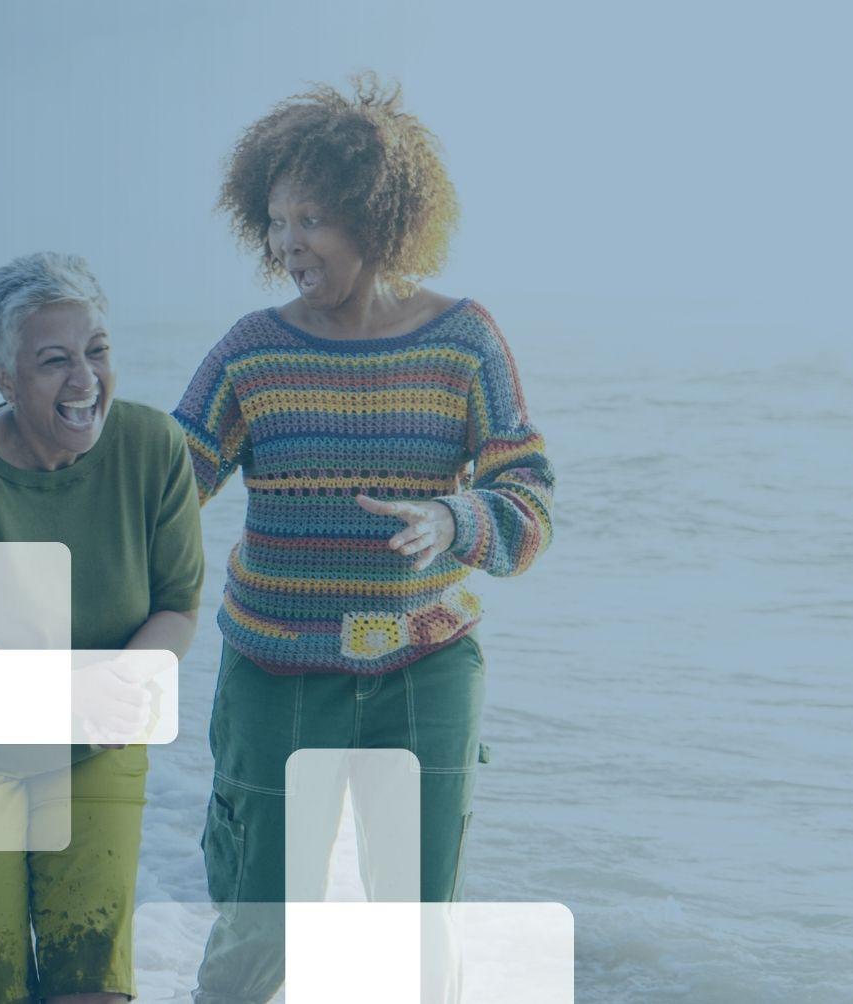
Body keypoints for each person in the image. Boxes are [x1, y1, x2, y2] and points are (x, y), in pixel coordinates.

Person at [175, 74, 555, 1004]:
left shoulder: (465, 342)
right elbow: (165, 487)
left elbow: (529, 502)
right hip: (273, 672)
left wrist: (454, 520)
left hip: (424, 671)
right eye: (274, 221)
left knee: (417, 949)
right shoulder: (250, 350)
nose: (286, 244)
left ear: (375, 219)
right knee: (260, 938)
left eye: (308, 218)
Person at [0, 253, 202, 1003]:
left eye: (96, 352)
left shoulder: (155, 450)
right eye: (54, 361)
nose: (84, 379)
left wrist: (119, 684)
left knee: (91, 979)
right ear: (4, 379)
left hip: (96, 733)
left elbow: (178, 605)